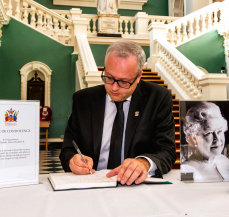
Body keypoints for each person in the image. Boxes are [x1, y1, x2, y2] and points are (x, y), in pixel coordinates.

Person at [60, 40, 176, 185]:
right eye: (109, 77)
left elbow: (167, 150)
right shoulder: (82, 100)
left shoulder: (158, 98)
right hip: (92, 185)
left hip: (135, 187)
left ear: (139, 77)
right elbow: (67, 149)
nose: (114, 88)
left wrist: (144, 163)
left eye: (123, 82)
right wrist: (73, 160)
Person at [181, 102, 229, 181]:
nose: (217, 139)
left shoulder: (224, 161)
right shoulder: (187, 170)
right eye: (209, 133)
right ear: (193, 138)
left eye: (219, 131)